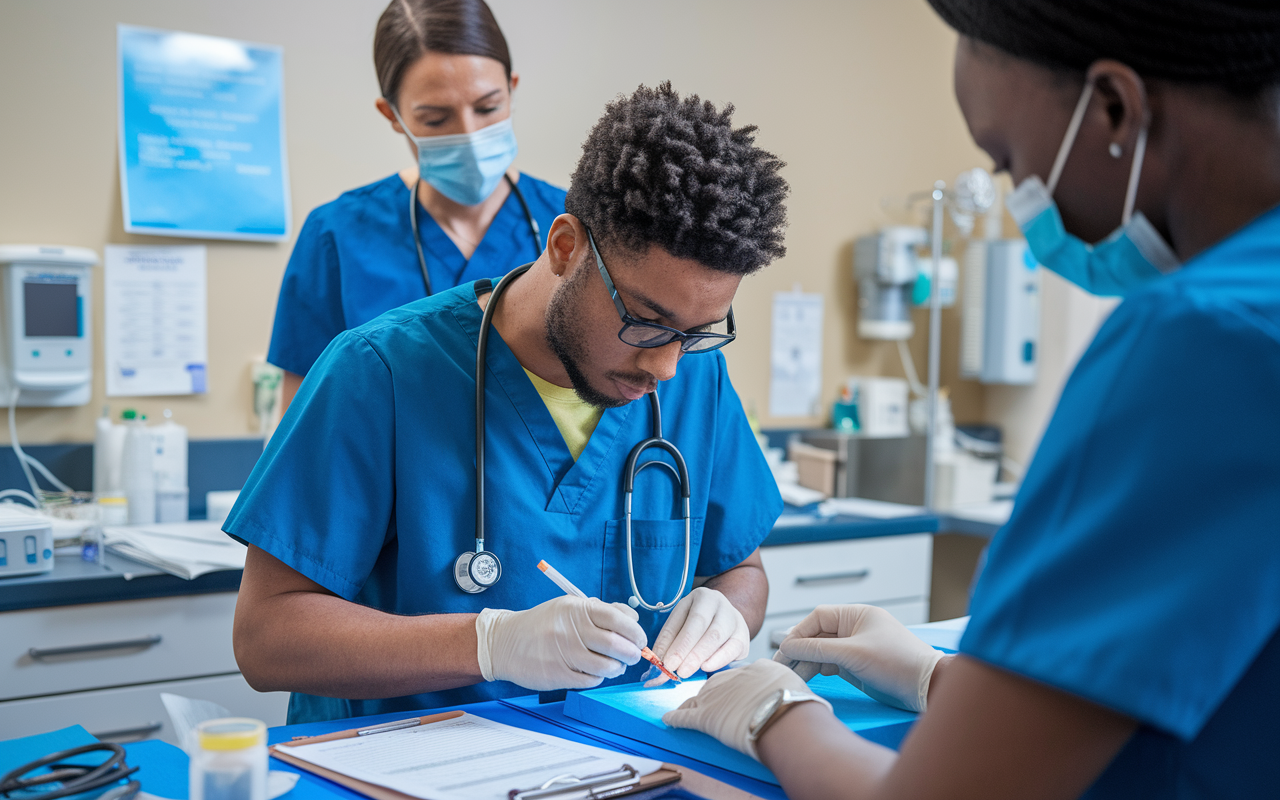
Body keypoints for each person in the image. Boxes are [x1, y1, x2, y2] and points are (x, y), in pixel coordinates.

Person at [663, 1, 1280, 797]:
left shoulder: (1199, 341)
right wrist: (933, 679)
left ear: (1116, 110)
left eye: (1005, 158)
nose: (1019, 198)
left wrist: (777, 713)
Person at [227, 83, 791, 724]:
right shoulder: (378, 374)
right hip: (412, 769)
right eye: (645, 320)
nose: (666, 365)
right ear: (565, 247)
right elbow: (266, 638)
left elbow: (740, 568)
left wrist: (729, 614)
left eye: (697, 333)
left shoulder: (698, 377)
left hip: (631, 764)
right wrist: (489, 645)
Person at [268, 0, 566, 413]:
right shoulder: (336, 235)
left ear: (512, 89)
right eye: (435, 119)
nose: (469, 134)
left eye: (488, 107)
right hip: (382, 478)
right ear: (392, 115)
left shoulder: (575, 223)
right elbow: (299, 423)